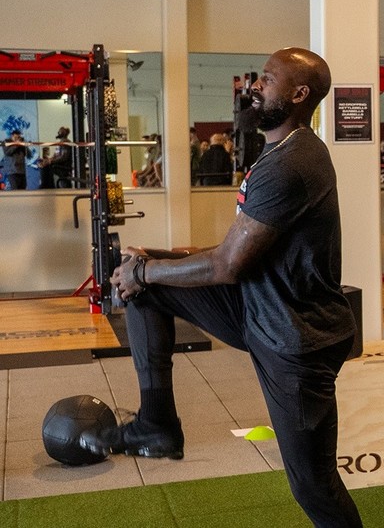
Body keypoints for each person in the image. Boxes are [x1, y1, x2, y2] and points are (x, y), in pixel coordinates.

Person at [84, 48, 362, 527]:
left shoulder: (293, 162)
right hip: (258, 309)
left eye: (268, 80)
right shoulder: (276, 151)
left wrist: (144, 271)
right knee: (146, 285)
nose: (255, 86)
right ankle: (157, 424)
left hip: (297, 338)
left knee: (313, 485)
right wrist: (155, 259)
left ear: (299, 94)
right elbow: (238, 248)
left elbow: (228, 264)